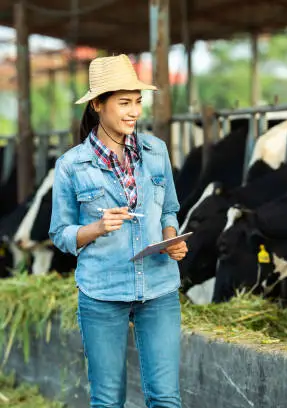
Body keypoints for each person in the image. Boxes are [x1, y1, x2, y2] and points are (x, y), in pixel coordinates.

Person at [49, 54, 187, 408]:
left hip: (158, 287)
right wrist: (96, 227)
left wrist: (171, 238)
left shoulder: (156, 151)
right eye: (124, 102)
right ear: (98, 104)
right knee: (108, 400)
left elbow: (169, 208)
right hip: (102, 291)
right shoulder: (71, 166)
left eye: (138, 102)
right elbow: (61, 233)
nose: (134, 111)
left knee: (166, 398)